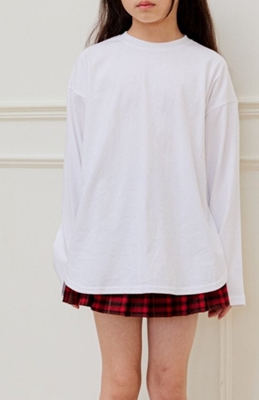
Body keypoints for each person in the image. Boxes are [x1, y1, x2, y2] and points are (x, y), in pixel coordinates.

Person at [52, 0, 246, 399]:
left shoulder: (207, 68)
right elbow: (77, 170)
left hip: (183, 252)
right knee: (119, 381)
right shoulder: (94, 64)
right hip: (109, 250)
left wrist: (230, 276)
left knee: (168, 383)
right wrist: (70, 259)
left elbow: (222, 177)